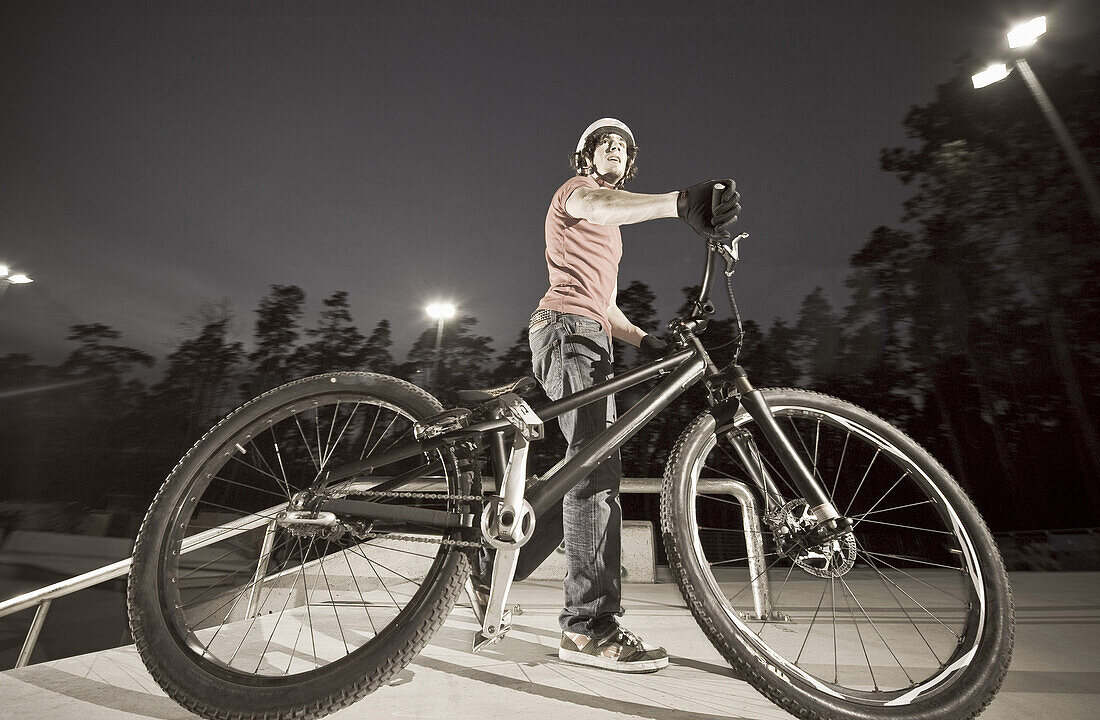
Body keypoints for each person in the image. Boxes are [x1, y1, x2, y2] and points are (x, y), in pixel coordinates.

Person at [475, 118, 740, 673]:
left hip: (589, 328)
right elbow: (595, 207)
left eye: (623, 146)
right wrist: (677, 201)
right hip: (567, 329)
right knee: (596, 469)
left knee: (583, 467)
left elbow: (606, 306)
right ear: (586, 159)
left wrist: (644, 340)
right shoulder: (578, 194)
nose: (615, 149)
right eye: (604, 144)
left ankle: (488, 567)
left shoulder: (611, 230)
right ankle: (587, 626)